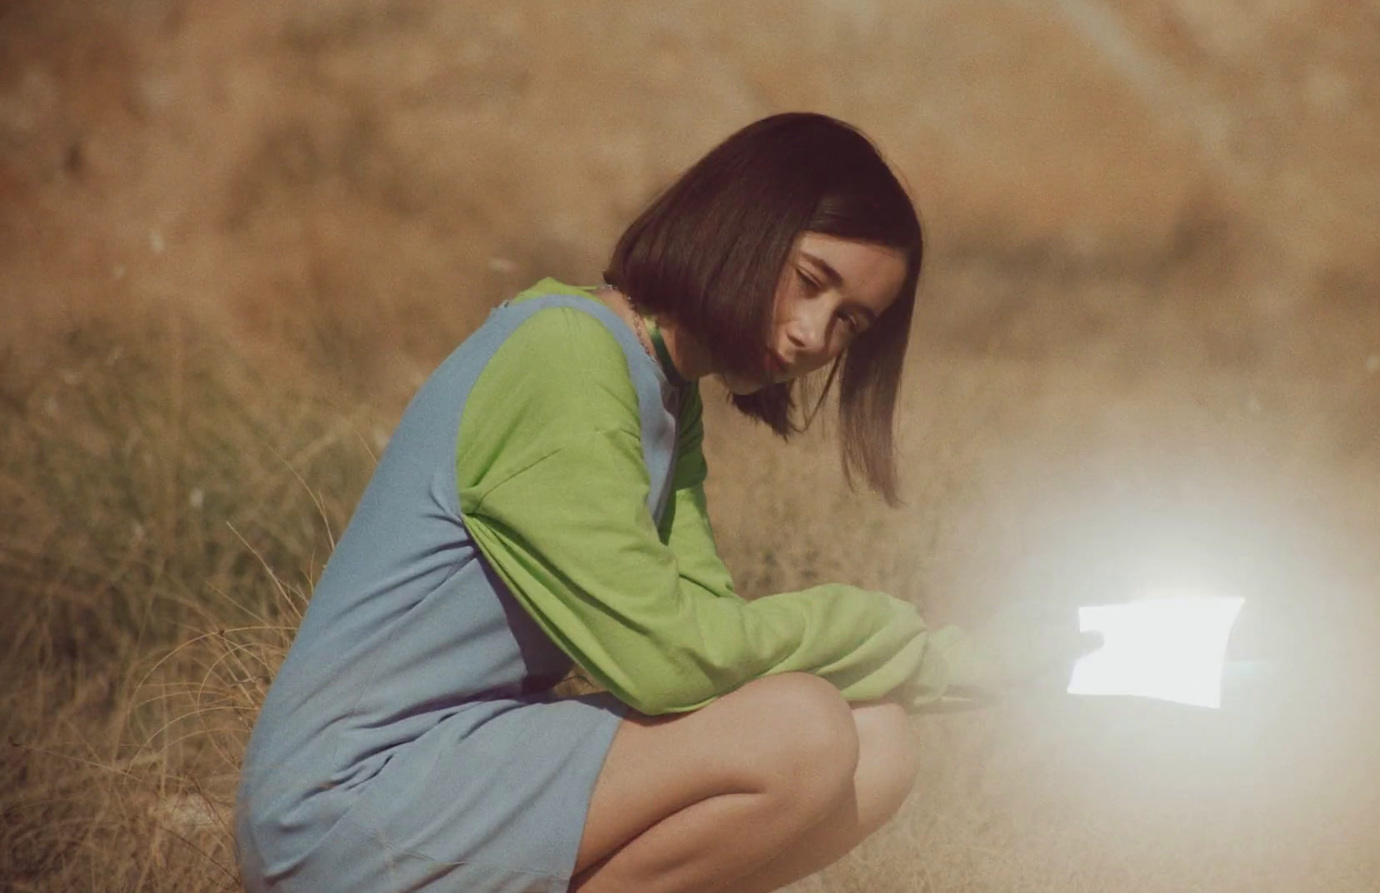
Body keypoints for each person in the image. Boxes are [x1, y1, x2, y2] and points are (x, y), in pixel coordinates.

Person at [236, 112, 1085, 893]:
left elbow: (704, 652)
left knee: (877, 742)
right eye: (809, 281)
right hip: (341, 808)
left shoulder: (665, 396)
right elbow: (665, 663)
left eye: (849, 324)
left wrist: (956, 664)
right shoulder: (565, 357)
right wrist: (891, 632)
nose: (811, 337)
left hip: (455, 768)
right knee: (802, 732)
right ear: (744, 222)